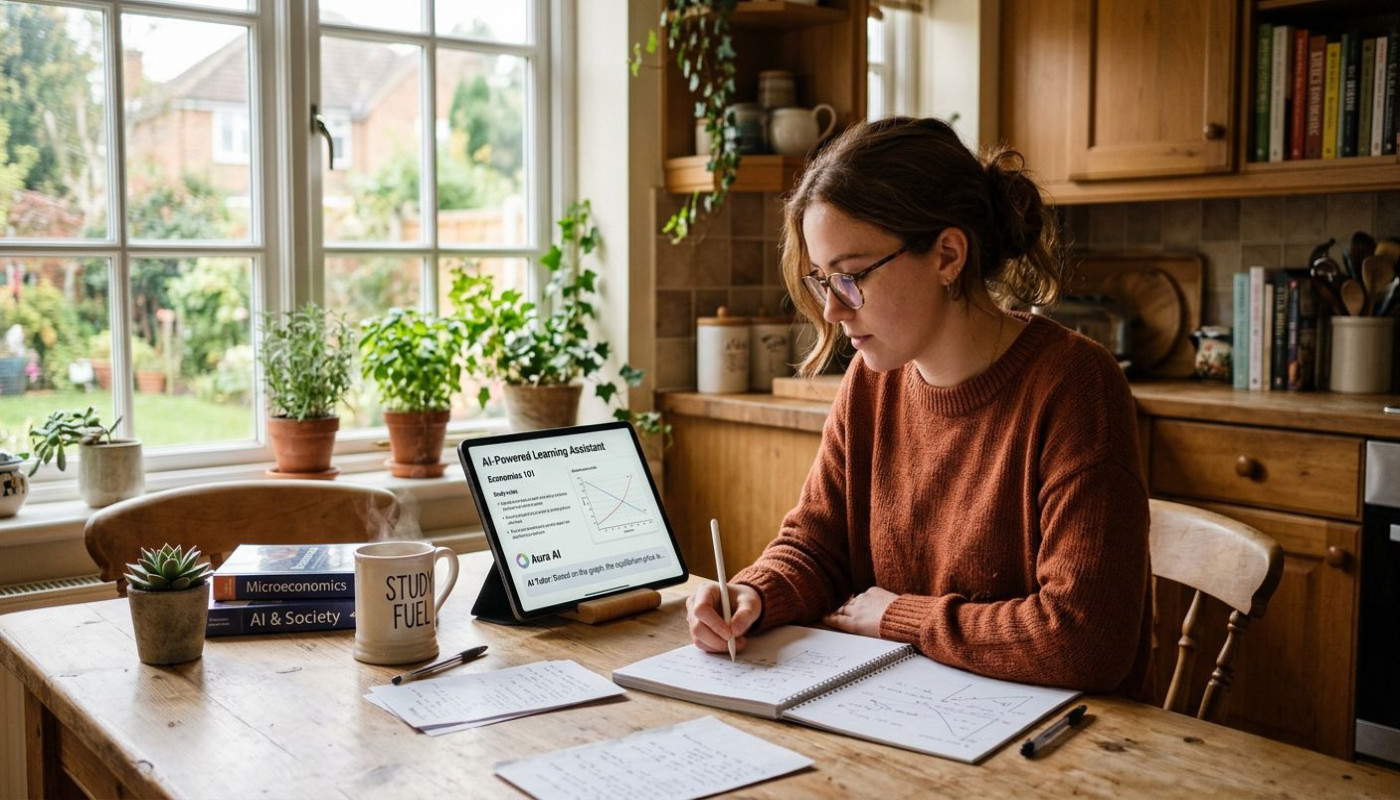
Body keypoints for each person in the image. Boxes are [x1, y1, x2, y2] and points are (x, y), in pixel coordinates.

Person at [686, 117, 1151, 698]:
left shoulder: (1075, 385)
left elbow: (1084, 641)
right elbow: (817, 546)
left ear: (947, 255)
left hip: (1056, 747)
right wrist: (755, 593)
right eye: (821, 280)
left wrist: (900, 618)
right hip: (911, 713)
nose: (832, 310)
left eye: (851, 277)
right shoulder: (871, 381)